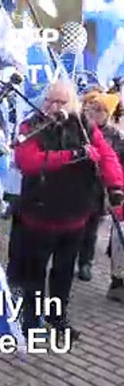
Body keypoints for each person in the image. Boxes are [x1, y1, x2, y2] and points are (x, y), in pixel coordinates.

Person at [14, 81, 123, 338]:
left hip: (74, 218)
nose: (56, 107)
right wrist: (73, 155)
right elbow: (27, 160)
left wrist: (116, 186)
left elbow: (107, 156)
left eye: (62, 102)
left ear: (72, 103)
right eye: (51, 101)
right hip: (38, 217)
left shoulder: (85, 127)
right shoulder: (31, 126)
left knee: (63, 273)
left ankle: (58, 317)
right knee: (35, 275)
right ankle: (31, 321)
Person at [81, 91, 124, 301]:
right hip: (80, 187)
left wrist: (116, 187)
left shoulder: (116, 136)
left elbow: (118, 161)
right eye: (94, 109)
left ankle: (86, 263)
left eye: (102, 110)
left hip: (102, 189)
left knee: (91, 228)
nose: (97, 113)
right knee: (77, 227)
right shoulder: (81, 130)